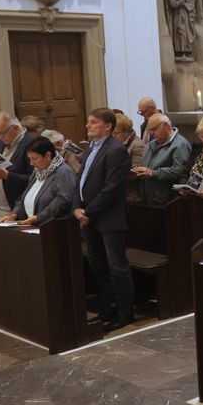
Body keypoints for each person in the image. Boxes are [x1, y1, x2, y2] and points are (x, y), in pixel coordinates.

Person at [75, 108, 135, 331]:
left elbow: (111, 188)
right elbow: (80, 179)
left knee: (117, 267)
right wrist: (76, 208)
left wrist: (88, 212)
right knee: (98, 265)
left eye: (93, 122)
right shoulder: (91, 147)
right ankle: (109, 306)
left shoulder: (117, 150)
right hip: (89, 217)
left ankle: (125, 312)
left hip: (109, 219)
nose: (87, 126)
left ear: (108, 126)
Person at [0, 137, 78, 226]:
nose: (31, 163)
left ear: (48, 155)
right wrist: (14, 214)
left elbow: (63, 201)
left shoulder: (64, 172)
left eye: (35, 159)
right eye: (30, 159)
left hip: (52, 227)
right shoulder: (37, 171)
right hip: (31, 225)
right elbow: (25, 195)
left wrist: (38, 217)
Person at [134, 113, 192, 206]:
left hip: (167, 201)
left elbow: (180, 171)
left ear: (167, 126)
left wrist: (153, 173)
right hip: (147, 199)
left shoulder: (180, 145)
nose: (152, 133)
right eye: (150, 130)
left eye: (154, 129)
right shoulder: (150, 145)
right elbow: (146, 166)